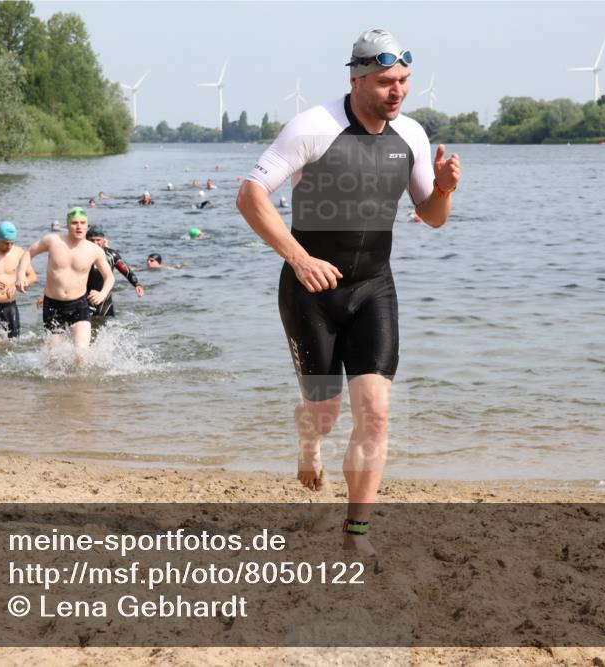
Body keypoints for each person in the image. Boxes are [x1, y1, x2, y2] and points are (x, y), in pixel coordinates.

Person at [236, 28, 460, 554]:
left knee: (376, 412)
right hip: (310, 290)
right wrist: (298, 256)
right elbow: (250, 196)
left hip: (374, 288)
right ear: (356, 78)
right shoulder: (313, 126)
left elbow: (431, 217)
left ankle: (355, 532)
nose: (397, 91)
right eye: (385, 81)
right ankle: (309, 442)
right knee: (325, 413)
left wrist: (446, 187)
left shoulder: (412, 135)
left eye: (403, 80)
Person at [16, 207, 115, 351]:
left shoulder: (94, 250)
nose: (79, 226)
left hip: (79, 304)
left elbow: (109, 277)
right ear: (68, 225)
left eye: (82, 223)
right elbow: (28, 253)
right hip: (53, 305)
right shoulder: (53, 240)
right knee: (53, 355)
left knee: (81, 353)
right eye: (75, 223)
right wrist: (20, 275)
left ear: (87, 226)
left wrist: (102, 294)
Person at [84, 225, 144, 319]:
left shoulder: (111, 255)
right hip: (86, 299)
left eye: (98, 240)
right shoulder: (80, 256)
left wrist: (136, 284)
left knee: (107, 327)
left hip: (105, 301)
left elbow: (125, 270)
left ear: (103, 240)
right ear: (86, 240)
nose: (95, 243)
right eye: (92, 240)